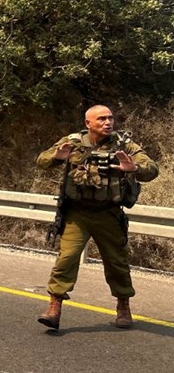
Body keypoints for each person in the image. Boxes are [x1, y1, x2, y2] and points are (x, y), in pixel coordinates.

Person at [36, 105, 159, 330]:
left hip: (108, 214)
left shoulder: (124, 144)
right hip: (77, 214)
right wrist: (56, 156)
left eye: (110, 118)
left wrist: (134, 168)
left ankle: (123, 307)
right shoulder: (72, 142)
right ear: (88, 123)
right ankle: (54, 307)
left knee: (117, 263)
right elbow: (41, 161)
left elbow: (152, 168)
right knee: (67, 259)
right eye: (101, 119)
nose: (107, 122)